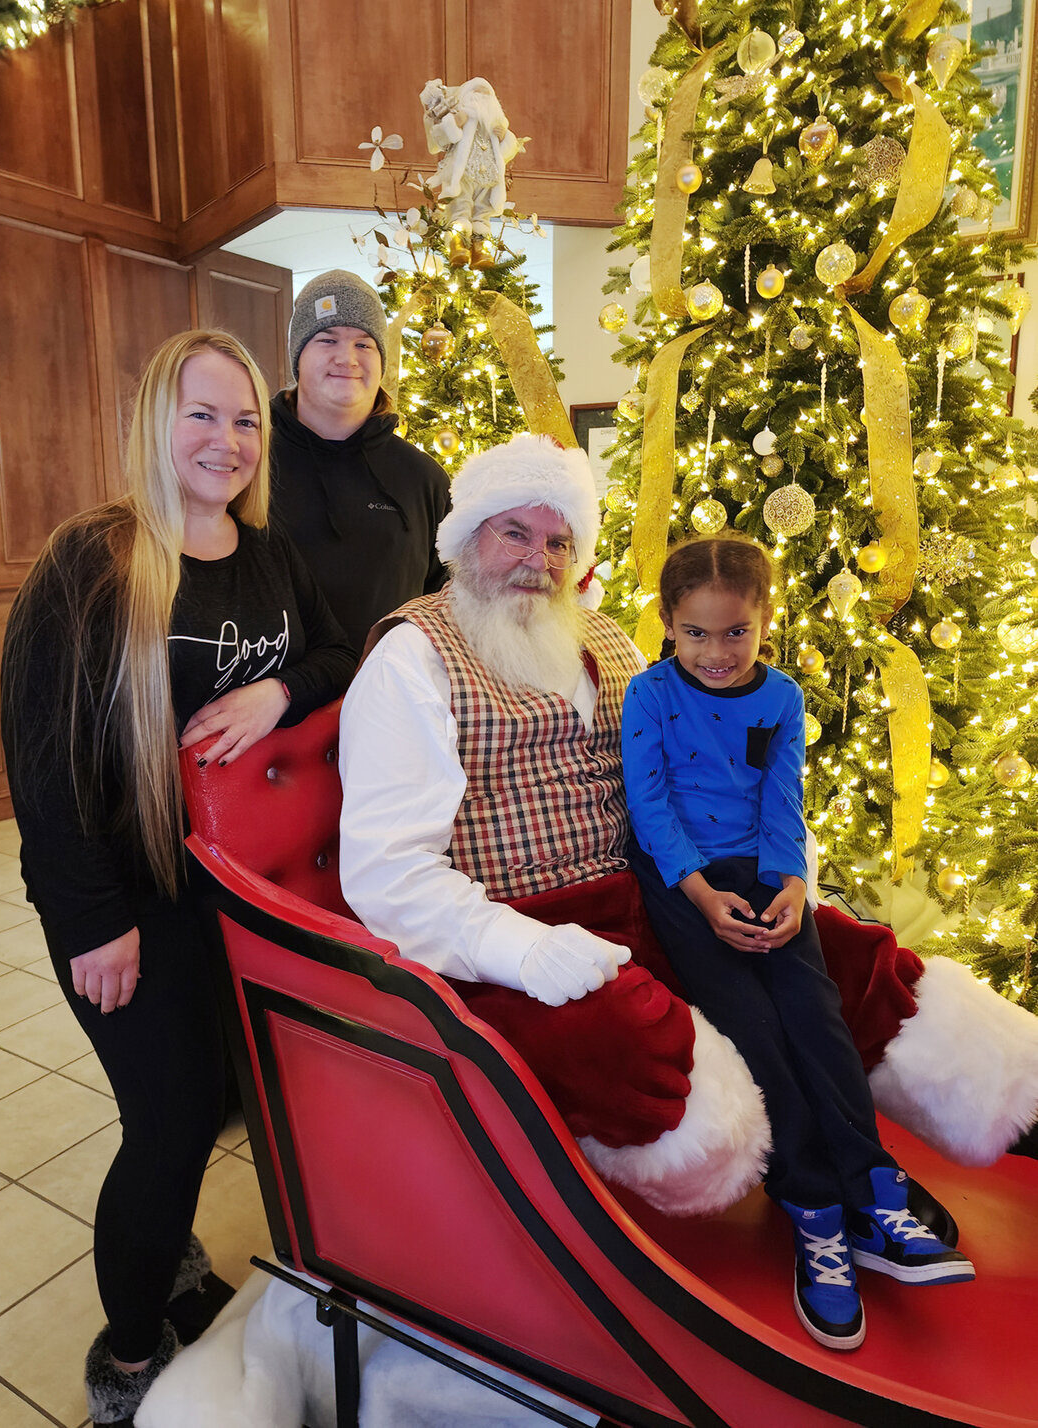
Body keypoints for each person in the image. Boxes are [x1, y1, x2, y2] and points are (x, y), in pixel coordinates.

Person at [337, 434, 1038, 1260]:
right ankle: (809, 1192)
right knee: (650, 1055)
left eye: (559, 539)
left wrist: (788, 875)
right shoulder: (411, 657)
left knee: (851, 960)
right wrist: (522, 950)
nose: (539, 559)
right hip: (527, 927)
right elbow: (388, 872)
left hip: (662, 885)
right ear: (464, 541)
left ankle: (871, 1173)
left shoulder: (607, 640)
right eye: (513, 533)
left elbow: (713, 779)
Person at [0, 330, 356, 1427]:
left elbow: (341, 655)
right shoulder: (93, 561)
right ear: (157, 422)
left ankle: (173, 1257)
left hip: (238, 896)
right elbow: (43, 765)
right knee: (165, 1121)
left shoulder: (271, 554)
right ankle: (125, 1358)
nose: (229, 440)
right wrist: (93, 924)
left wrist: (277, 693)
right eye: (202, 415)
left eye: (247, 419)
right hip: (125, 897)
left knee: (209, 1103)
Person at [622, 534, 974, 1350]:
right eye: (697, 634)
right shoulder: (648, 697)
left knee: (815, 1017)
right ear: (669, 625)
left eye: (735, 633)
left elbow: (783, 799)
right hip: (684, 883)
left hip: (762, 871)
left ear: (764, 623)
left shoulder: (780, 698)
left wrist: (790, 887)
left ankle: (873, 1191)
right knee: (757, 1032)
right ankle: (811, 1207)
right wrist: (705, 899)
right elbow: (651, 806)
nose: (717, 653)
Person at [268, 270, 451, 653]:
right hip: (271, 703)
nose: (346, 358)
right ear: (297, 358)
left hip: (390, 702)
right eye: (327, 339)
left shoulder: (423, 479)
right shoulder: (250, 463)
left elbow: (448, 605)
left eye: (364, 344)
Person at [420, 76, 526, 268]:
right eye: (477, 93)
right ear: (467, 96)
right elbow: (439, 141)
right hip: (464, 174)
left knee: (482, 211)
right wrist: (455, 124)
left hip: (488, 177)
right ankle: (458, 242)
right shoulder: (460, 116)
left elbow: (506, 152)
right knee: (461, 205)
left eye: (486, 94)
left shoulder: (497, 123)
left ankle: (480, 247)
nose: (481, 98)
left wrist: (505, 139)